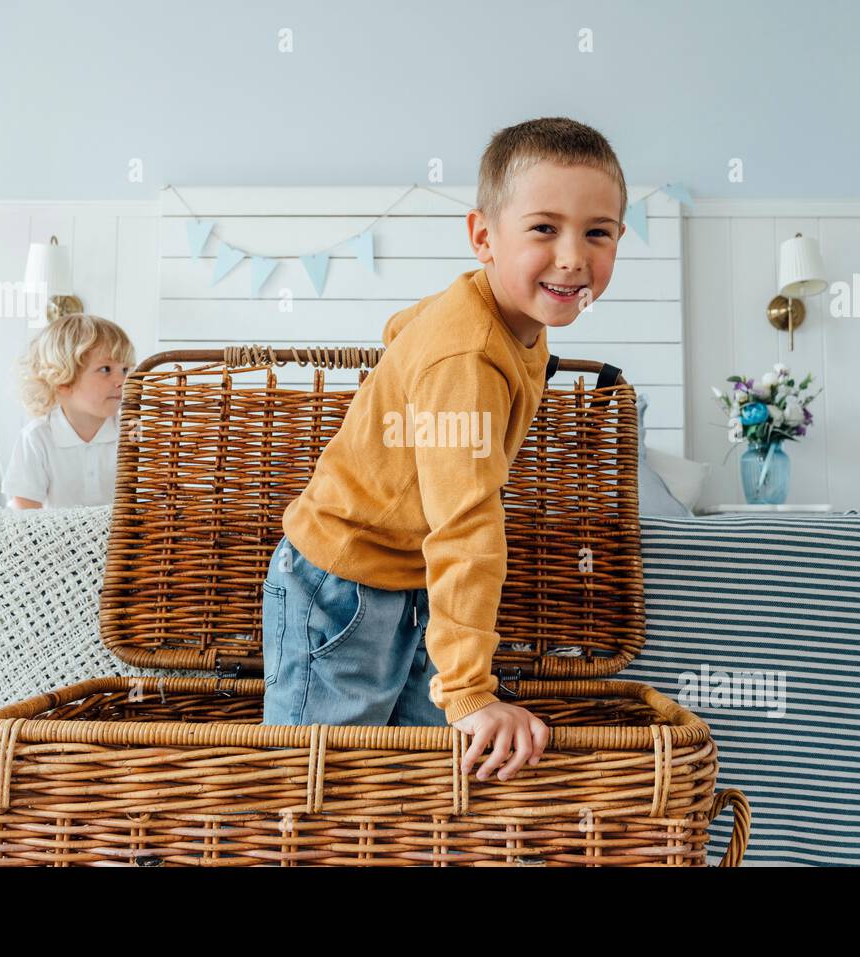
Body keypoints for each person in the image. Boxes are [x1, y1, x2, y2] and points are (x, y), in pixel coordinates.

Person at [263, 117, 628, 784]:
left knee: (416, 778)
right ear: (484, 237)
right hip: (340, 582)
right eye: (544, 228)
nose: (574, 256)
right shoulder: (468, 355)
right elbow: (465, 521)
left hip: (411, 581)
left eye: (596, 232)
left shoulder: (511, 313)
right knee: (317, 780)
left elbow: (402, 326)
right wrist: (469, 691)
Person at [3, 313, 135, 510]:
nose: (121, 381)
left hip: (120, 539)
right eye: (106, 369)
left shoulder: (132, 432)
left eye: (124, 370)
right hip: (55, 539)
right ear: (63, 381)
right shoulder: (37, 438)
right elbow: (26, 513)